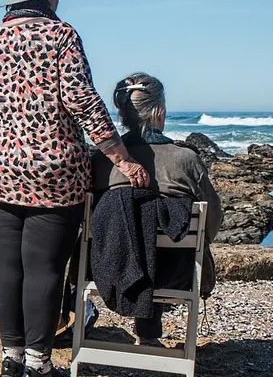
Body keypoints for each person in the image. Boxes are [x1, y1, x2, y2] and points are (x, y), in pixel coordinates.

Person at [0, 0, 150, 377]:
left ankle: (11, 359)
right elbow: (82, 101)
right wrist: (123, 158)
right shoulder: (61, 36)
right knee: (45, 267)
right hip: (54, 170)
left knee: (7, 264)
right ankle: (38, 363)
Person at [90, 72, 223, 347]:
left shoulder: (101, 161)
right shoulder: (185, 160)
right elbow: (212, 222)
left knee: (133, 233)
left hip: (107, 268)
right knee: (161, 242)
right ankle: (149, 336)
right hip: (175, 272)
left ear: (123, 113)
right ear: (159, 111)